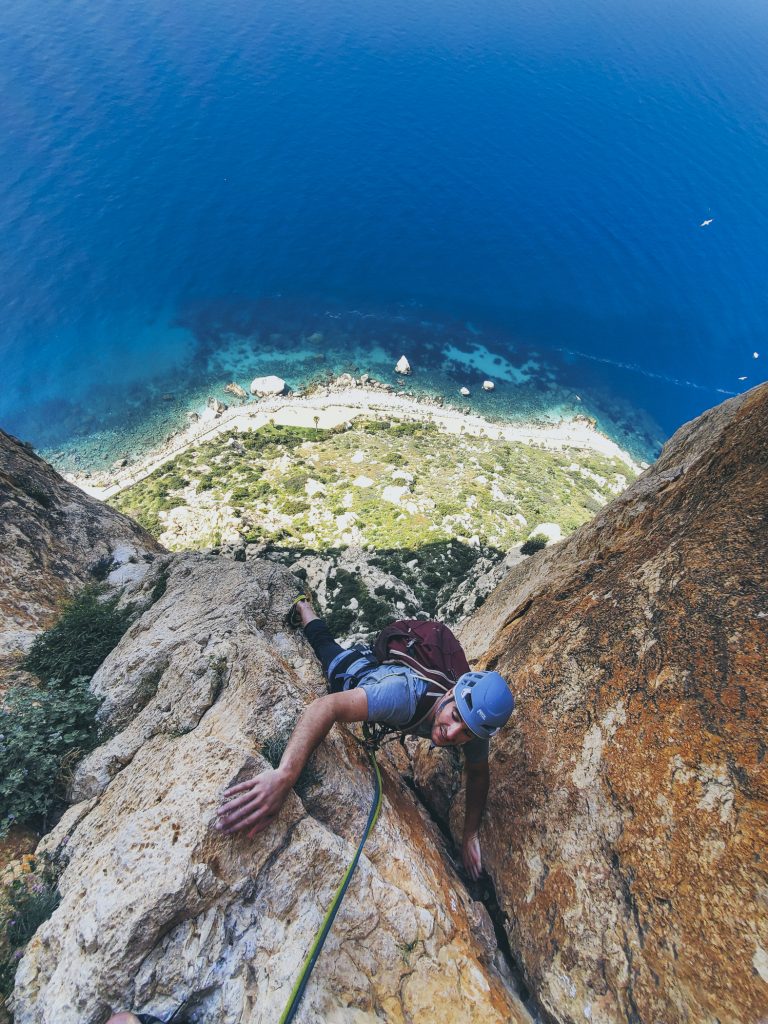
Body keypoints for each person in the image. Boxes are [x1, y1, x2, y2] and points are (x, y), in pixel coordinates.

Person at [216, 599, 514, 880]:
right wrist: (285, 774)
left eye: (465, 734)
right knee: (327, 651)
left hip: (389, 673)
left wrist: (470, 835)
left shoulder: (474, 723)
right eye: (455, 717)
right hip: (367, 674)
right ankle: (304, 607)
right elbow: (326, 706)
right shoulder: (402, 695)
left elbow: (478, 773)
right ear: (450, 695)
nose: (451, 734)